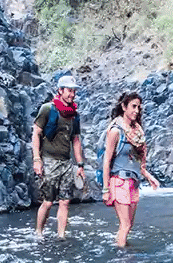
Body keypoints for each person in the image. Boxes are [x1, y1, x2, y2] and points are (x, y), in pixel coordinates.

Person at [101, 92, 161, 248]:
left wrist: (148, 176)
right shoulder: (116, 131)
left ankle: (120, 248)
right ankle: (122, 259)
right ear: (124, 107)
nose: (136, 110)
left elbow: (138, 161)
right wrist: (106, 189)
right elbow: (106, 160)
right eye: (133, 106)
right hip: (119, 180)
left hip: (133, 182)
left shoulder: (138, 132)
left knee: (129, 225)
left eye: (139, 107)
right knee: (125, 225)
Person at [32, 75, 87, 238]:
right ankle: (39, 233)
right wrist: (37, 159)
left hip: (66, 163)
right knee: (48, 202)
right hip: (48, 160)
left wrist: (80, 165)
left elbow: (76, 140)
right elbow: (36, 133)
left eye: (74, 91)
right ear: (60, 90)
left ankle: (61, 235)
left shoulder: (74, 115)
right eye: (69, 91)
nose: (72, 94)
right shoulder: (47, 109)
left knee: (65, 201)